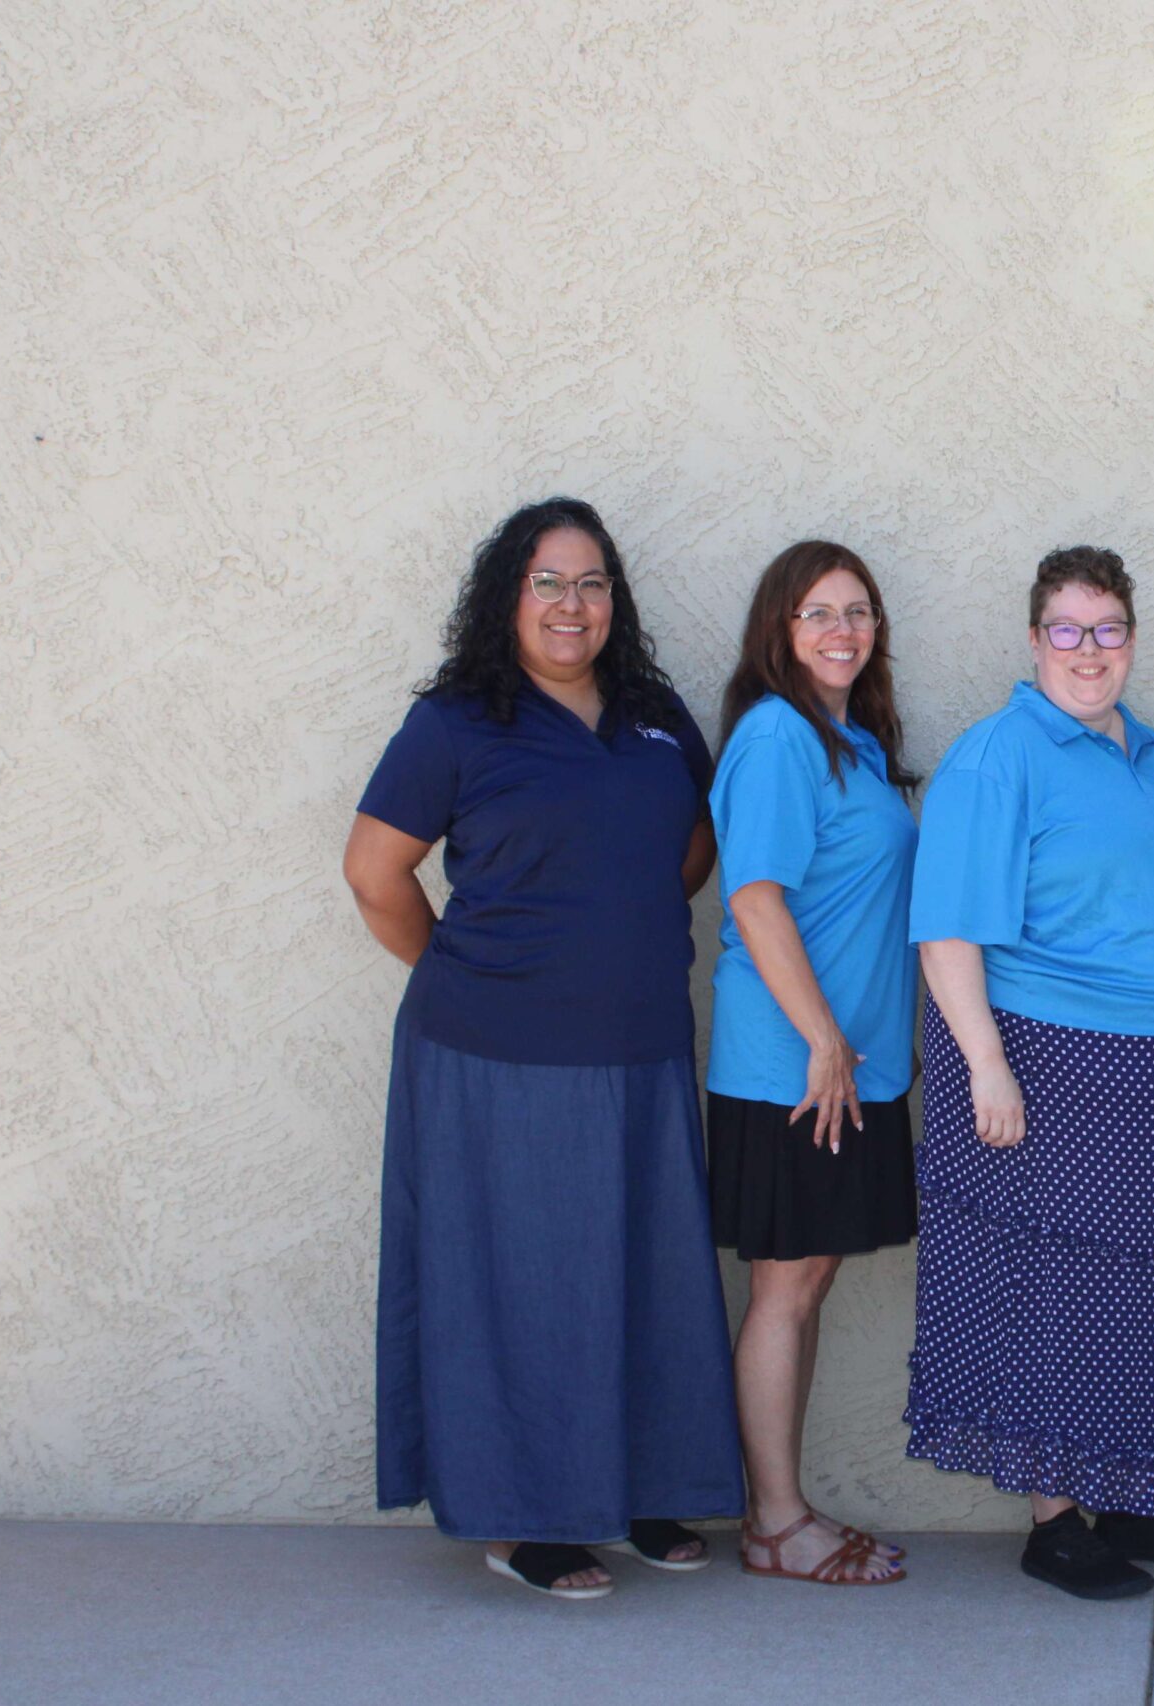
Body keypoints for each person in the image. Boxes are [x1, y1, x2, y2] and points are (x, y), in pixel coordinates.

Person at [342, 497, 742, 1599]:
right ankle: (524, 1520)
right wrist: (469, 974)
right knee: (521, 1286)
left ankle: (640, 1489)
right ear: (508, 596)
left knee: (644, 1274)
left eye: (594, 581)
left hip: (641, 1043)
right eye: (550, 582)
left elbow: (691, 845)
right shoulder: (459, 722)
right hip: (493, 1058)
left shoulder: (656, 715)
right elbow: (375, 876)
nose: (574, 604)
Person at [902, 545, 1154, 1600]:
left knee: (1153, 1290)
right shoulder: (997, 753)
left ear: (1131, 639)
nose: (1087, 650)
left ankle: (1137, 1493)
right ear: (1033, 639)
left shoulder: (1153, 752)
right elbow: (948, 929)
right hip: (1051, 1061)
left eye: (1107, 629)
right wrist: (987, 1065)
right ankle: (1056, 1520)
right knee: (1052, 1289)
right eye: (1066, 628)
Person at [706, 541, 919, 1587]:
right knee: (784, 1287)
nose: (842, 628)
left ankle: (778, 1510)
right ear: (778, 632)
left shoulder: (853, 742)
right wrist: (824, 1037)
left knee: (808, 1279)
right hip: (793, 1069)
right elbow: (752, 895)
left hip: (854, 1067)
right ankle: (777, 1521)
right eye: (817, 612)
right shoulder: (778, 737)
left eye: (858, 610)